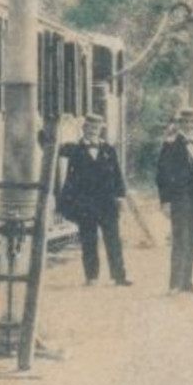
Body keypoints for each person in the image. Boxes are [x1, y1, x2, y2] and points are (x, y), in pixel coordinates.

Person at [57, 114, 131, 287]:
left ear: (100, 129)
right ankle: (92, 277)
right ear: (83, 129)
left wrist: (120, 197)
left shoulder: (108, 150)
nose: (92, 130)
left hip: (107, 202)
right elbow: (52, 147)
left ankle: (119, 276)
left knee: (113, 239)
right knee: (88, 240)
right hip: (86, 203)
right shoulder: (75, 149)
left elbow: (117, 174)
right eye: (89, 127)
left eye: (96, 128)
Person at [155, 108, 193, 294]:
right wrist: (165, 201)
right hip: (179, 200)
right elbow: (162, 175)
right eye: (185, 123)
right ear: (179, 124)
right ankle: (174, 284)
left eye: (192, 122)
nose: (189, 126)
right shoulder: (170, 145)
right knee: (180, 241)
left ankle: (187, 281)